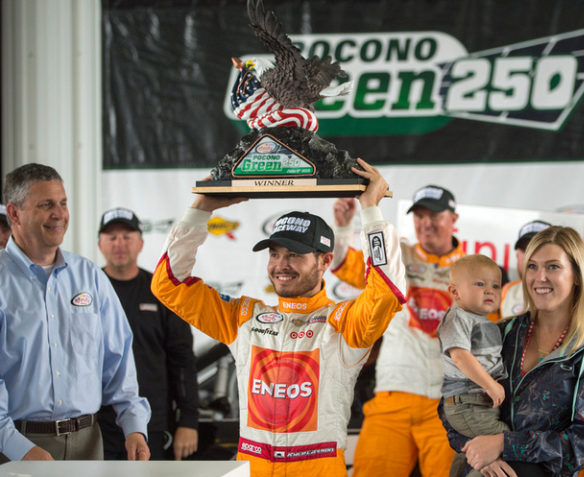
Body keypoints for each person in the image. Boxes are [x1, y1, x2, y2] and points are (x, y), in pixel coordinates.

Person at [151, 158, 405, 477]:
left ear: (326, 260)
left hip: (318, 467)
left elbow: (388, 293)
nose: (280, 265)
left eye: (295, 254)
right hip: (253, 465)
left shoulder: (342, 322)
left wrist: (371, 212)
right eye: (274, 253)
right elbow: (167, 283)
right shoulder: (243, 318)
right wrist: (200, 208)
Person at [0, 163, 150, 462]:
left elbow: (117, 358)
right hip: (17, 446)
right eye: (46, 205)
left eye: (63, 203)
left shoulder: (89, 276)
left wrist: (134, 426)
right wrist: (20, 448)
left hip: (89, 443)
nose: (59, 214)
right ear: (14, 213)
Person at [443, 226, 584, 477]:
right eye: (533, 266)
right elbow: (451, 402)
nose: (540, 277)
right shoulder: (501, 333)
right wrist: (479, 453)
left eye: (553, 267)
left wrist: (504, 444)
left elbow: (582, 445)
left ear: (577, 275)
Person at [332, 184, 462, 477]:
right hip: (393, 396)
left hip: (449, 404)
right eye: (419, 216)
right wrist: (342, 228)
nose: (425, 223)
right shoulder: (397, 256)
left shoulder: (473, 269)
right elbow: (343, 264)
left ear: (453, 219)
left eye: (434, 215)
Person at [96, 207, 199, 460]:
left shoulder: (161, 293)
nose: (119, 244)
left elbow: (182, 359)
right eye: (111, 237)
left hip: (151, 424)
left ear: (140, 243)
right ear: (100, 244)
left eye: (127, 236)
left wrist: (189, 420)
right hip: (96, 426)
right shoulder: (86, 292)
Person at [438, 254, 507, 459]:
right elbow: (460, 356)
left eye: (495, 286)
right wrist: (490, 385)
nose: (489, 290)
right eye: (480, 284)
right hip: (468, 404)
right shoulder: (457, 318)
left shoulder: (484, 321)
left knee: (482, 452)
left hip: (481, 403)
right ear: (455, 292)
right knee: (510, 442)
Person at [500, 220, 551, 317]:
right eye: (526, 249)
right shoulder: (507, 292)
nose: (530, 255)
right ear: (517, 255)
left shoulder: (568, 296)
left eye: (538, 248)